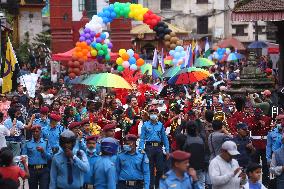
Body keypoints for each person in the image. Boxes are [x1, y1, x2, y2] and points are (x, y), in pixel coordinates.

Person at [139, 108, 170, 189]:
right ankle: (150, 186)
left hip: (158, 148)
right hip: (149, 148)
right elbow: (142, 138)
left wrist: (167, 150)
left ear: (157, 114)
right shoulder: (145, 125)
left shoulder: (160, 125)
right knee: (150, 169)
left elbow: (164, 138)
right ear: (149, 114)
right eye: (151, 113)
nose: (153, 114)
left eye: (155, 113)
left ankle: (158, 186)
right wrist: (141, 148)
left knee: (160, 169)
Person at [182, 121, 206, 188]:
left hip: (189, 169)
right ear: (196, 129)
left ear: (187, 129)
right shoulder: (201, 140)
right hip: (200, 168)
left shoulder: (184, 139)